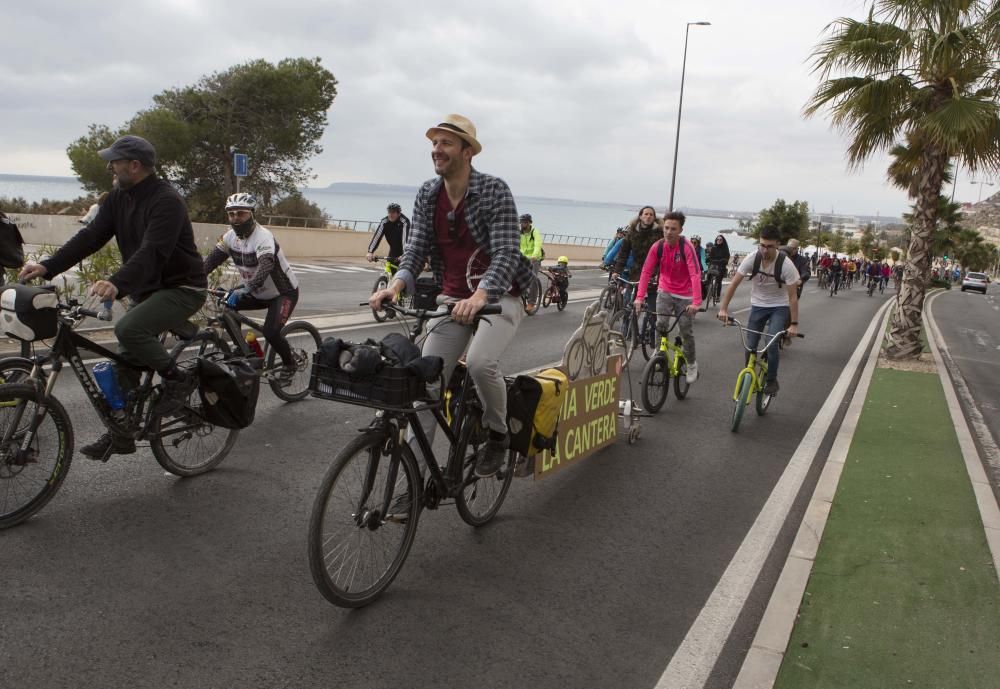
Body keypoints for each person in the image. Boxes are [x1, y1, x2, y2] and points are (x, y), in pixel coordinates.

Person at [18, 134, 207, 459]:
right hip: (146, 288)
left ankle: (179, 381)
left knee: (129, 330)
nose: (109, 166)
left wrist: (117, 283)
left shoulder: (167, 202)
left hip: (182, 287)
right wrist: (47, 267)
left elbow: (153, 252)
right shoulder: (119, 197)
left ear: (134, 166)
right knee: (124, 364)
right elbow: (90, 236)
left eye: (114, 161)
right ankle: (122, 432)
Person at [369, 113, 534, 480]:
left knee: (478, 364)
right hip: (453, 298)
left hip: (499, 294)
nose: (436, 150)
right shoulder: (428, 194)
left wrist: (480, 295)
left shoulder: (494, 190)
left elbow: (507, 252)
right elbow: (416, 249)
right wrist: (394, 286)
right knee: (424, 383)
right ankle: (413, 483)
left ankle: (498, 435)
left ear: (467, 151)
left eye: (445, 143)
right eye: (434, 143)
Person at [203, 193, 301, 381]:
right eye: (231, 214)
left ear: (252, 214)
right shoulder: (229, 237)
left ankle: (290, 363)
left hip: (283, 292)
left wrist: (246, 289)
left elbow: (266, 265)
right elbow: (211, 261)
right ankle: (243, 348)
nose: (235, 218)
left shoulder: (263, 237)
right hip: (257, 291)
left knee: (270, 332)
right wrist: (194, 278)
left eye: (241, 213)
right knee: (229, 307)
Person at [717, 225, 800, 395]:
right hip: (758, 306)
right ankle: (749, 374)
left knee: (771, 344)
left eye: (769, 246)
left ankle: (771, 380)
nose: (765, 249)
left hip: (779, 306)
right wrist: (723, 309)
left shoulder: (786, 265)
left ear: (777, 244)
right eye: (762, 245)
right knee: (750, 345)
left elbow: (792, 297)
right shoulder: (752, 258)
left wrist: (794, 324)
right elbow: (733, 284)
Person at [634, 211, 702, 382]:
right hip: (665, 290)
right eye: (666, 228)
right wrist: (639, 297)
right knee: (661, 324)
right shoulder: (657, 247)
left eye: (673, 229)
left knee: (686, 330)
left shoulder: (686, 247)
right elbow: (646, 271)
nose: (669, 232)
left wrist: (696, 302)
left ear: (680, 230)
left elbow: (695, 274)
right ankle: (659, 353)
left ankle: (692, 363)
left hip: (685, 294)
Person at [612, 206, 662, 310]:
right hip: (635, 272)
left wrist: (659, 273)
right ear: (640, 216)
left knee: (652, 309)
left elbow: (664, 256)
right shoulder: (632, 233)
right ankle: (626, 325)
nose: (648, 216)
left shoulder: (660, 234)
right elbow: (623, 253)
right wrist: (617, 271)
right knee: (628, 305)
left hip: (654, 273)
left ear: (654, 218)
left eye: (651, 214)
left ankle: (652, 324)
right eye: (646, 214)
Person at [366, 202, 411, 267]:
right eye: (389, 212)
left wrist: (405, 254)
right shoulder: (384, 222)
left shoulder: (404, 222)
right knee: (389, 271)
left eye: (393, 212)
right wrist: (370, 252)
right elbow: (377, 237)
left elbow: (405, 240)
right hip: (393, 250)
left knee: (403, 274)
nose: (390, 215)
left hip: (406, 251)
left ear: (398, 213)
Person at [704, 233, 731, 305]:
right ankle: (705, 292)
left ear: (723, 241)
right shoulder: (714, 248)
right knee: (708, 279)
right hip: (713, 266)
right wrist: (708, 259)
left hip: (721, 267)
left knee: (719, 281)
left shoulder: (725, 249)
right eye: (717, 239)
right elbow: (710, 257)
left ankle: (718, 296)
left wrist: (723, 261)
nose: (718, 241)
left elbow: (727, 258)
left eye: (720, 239)